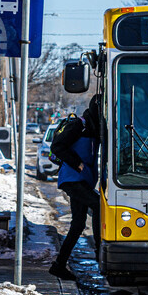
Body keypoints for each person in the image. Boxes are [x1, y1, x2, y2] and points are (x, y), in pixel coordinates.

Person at [48, 95, 102, 282]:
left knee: (78, 224)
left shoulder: (95, 127)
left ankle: (59, 266)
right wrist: (77, 163)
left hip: (83, 180)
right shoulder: (79, 125)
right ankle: (100, 251)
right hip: (72, 179)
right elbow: (57, 146)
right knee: (99, 205)